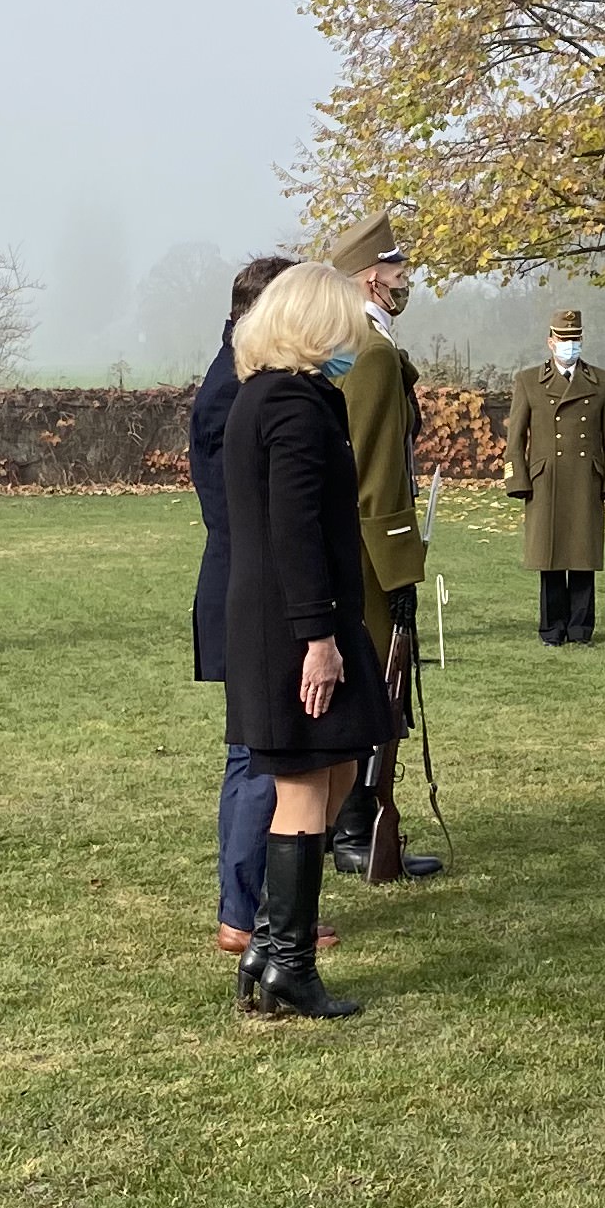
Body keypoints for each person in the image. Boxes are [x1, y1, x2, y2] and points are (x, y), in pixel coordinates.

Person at [219, 260, 395, 1018]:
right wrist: (317, 637)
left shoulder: (272, 395)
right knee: (301, 782)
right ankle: (288, 965)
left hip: (289, 614)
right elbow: (293, 528)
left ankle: (267, 943)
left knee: (338, 764)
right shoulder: (291, 404)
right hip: (293, 621)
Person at [318, 213, 435, 879]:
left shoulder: (352, 341)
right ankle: (356, 827)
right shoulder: (370, 351)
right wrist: (399, 569)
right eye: (397, 269)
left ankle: (342, 822)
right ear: (371, 278)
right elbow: (374, 471)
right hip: (366, 550)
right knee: (376, 684)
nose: (405, 279)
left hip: (349, 541)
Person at [194, 253, 301, 957]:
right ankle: (250, 909)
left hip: (243, 584)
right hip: (253, 589)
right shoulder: (237, 390)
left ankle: (247, 907)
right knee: (262, 756)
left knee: (250, 755)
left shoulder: (232, 378)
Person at [503, 308, 605, 644]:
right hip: (546, 480)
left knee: (583, 554)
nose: (569, 345)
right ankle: (552, 628)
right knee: (550, 554)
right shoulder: (528, 381)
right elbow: (516, 439)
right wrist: (517, 480)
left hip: (586, 477)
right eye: (563, 338)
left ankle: (581, 628)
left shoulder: (601, 381)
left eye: (575, 338)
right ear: (550, 341)